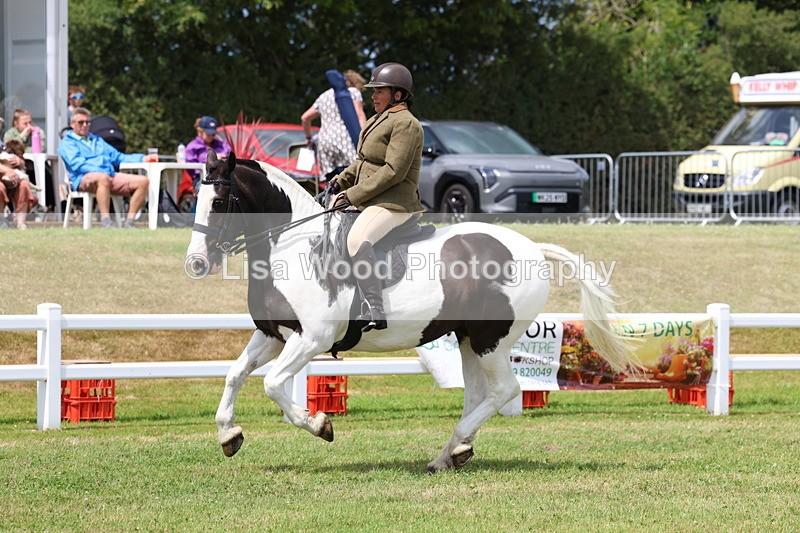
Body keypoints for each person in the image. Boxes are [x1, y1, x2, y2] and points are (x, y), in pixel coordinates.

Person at [327, 62, 423, 332]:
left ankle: (374, 307)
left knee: (357, 239)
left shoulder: (407, 124)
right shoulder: (376, 120)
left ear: (398, 95)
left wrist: (353, 195)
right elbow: (362, 161)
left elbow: (393, 171)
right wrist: (339, 182)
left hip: (395, 203)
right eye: (373, 90)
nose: (373, 95)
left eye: (379, 90)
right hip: (373, 200)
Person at [58, 107, 156, 228]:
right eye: (81, 122)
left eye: (88, 122)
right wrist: (100, 169)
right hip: (82, 178)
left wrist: (142, 158)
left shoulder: (97, 140)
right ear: (72, 124)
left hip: (107, 175)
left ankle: (129, 222)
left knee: (143, 181)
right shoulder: (67, 143)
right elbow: (77, 164)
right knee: (103, 178)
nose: (85, 125)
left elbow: (118, 157)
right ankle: (106, 221)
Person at [301, 69, 367, 179]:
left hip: (325, 143)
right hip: (346, 142)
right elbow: (359, 115)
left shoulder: (323, 97)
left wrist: (308, 137)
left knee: (332, 184)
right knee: (352, 179)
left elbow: (305, 118)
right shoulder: (353, 92)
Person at [3, 108, 54, 208]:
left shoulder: (38, 131)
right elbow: (9, 148)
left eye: (30, 122)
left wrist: (23, 150)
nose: (29, 126)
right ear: (16, 124)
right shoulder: (10, 134)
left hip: (35, 166)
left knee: (46, 174)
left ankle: (48, 204)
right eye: (25, 123)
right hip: (15, 167)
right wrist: (22, 136)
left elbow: (41, 148)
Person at [185, 115, 231, 190]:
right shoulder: (192, 147)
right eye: (208, 134)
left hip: (224, 178)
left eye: (213, 134)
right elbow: (191, 168)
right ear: (200, 131)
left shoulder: (223, 145)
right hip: (202, 179)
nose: (211, 136)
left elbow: (231, 158)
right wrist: (213, 161)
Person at [0, 141, 37, 229]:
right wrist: (5, 170)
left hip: (14, 175)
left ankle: (21, 223)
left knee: (24, 185)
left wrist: (20, 161)